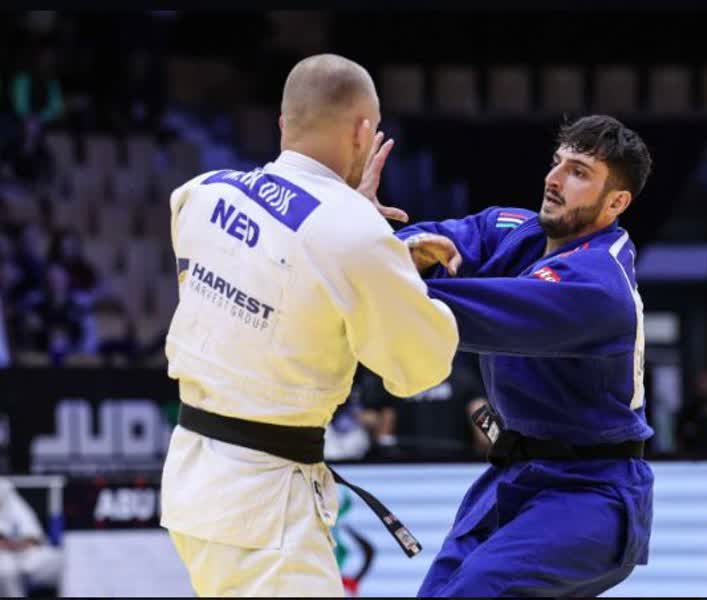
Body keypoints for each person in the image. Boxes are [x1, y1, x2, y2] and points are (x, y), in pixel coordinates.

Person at [159, 54, 458, 597]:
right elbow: (420, 368)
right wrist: (385, 259)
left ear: (283, 122)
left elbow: (285, 257)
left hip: (193, 477)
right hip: (263, 505)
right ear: (363, 132)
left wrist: (355, 230)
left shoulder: (200, 194)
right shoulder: (355, 235)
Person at [391, 115, 655, 596]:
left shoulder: (599, 286)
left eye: (578, 172)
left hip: (592, 490)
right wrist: (391, 247)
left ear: (616, 202)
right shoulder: (514, 230)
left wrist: (376, 274)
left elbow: (466, 315)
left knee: (477, 590)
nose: (554, 179)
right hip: (514, 474)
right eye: (557, 162)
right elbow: (428, 240)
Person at [0, 478, 63, 597]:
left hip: (20, 552)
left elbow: (32, 531)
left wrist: (25, 541)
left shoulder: (4, 490)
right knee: (6, 570)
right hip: (4, 559)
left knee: (59, 561)